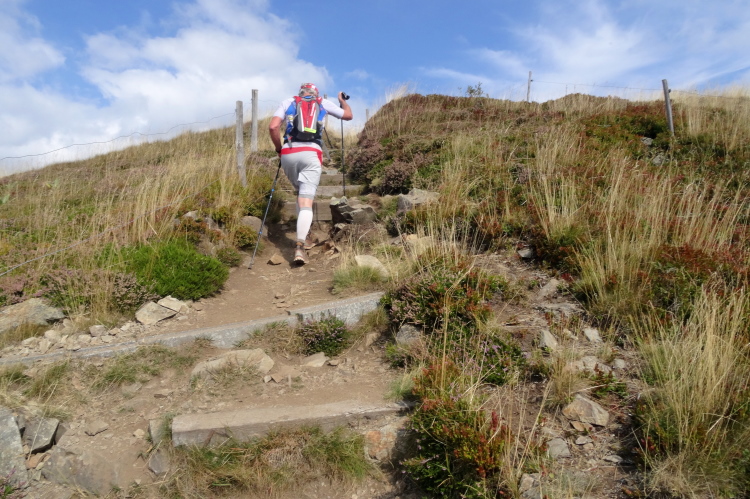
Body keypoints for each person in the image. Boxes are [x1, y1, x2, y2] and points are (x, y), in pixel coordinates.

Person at [269, 83, 353, 264]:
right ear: (315, 93)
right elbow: (348, 116)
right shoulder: (322, 103)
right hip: (312, 152)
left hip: (289, 152)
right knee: (306, 200)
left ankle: (306, 236)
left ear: (300, 92)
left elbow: (273, 127)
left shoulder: (288, 102)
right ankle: (300, 247)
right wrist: (342, 102)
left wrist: (279, 149)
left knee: (300, 193)